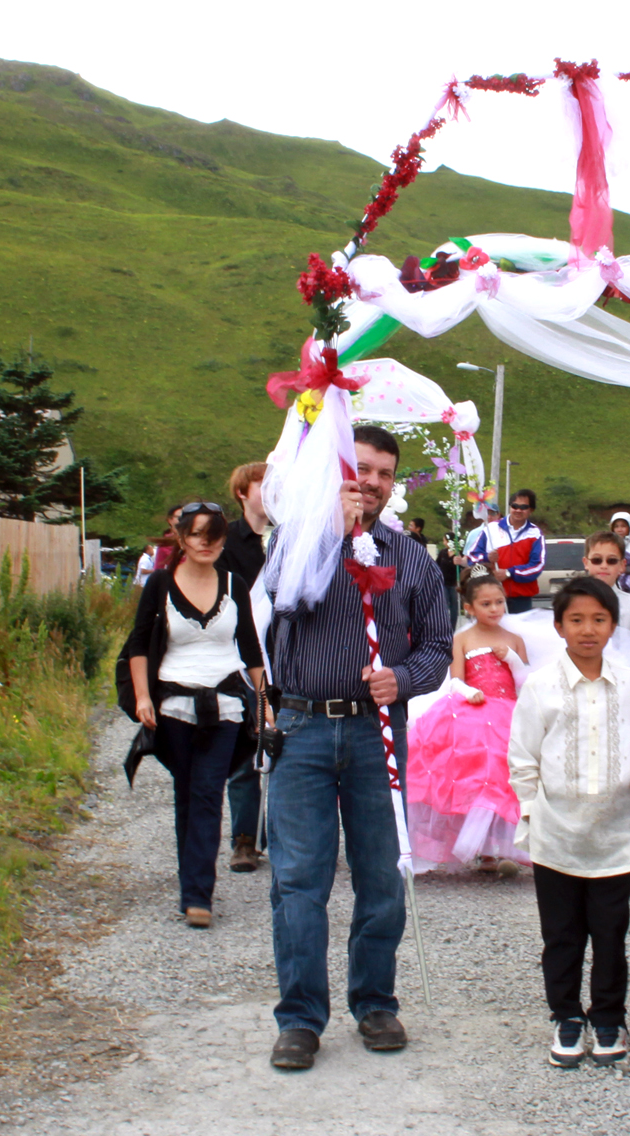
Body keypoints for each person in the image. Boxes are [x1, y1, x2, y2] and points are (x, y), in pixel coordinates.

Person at [262, 425, 453, 1070]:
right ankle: (299, 1018)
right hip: (302, 728)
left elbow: (436, 647)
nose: (368, 482)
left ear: (392, 485)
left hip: (378, 733)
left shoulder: (411, 557)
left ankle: (374, 1001)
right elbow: (281, 602)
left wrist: (403, 678)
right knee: (298, 880)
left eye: (381, 474)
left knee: (382, 874)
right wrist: (326, 535)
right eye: (358, 468)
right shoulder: (295, 538)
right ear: (337, 470)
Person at [508, 577, 630, 1069]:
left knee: (612, 933)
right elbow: (523, 757)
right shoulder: (541, 685)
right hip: (557, 837)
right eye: (576, 620)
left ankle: (609, 1017)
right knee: (563, 935)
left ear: (613, 626)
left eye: (598, 619)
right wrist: (533, 813)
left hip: (615, 836)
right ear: (559, 626)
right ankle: (567, 1017)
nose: (587, 630)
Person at [122, 501, 266, 929]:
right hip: (173, 708)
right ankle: (192, 887)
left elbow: (250, 648)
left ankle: (199, 895)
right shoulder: (160, 584)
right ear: (181, 538)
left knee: (206, 794)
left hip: (224, 707)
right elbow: (138, 644)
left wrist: (264, 702)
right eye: (199, 534)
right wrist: (143, 698)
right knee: (186, 793)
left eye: (216, 535)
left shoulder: (234, 584)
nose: (207, 543)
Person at [404, 572, 530, 873]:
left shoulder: (514, 639)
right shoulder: (461, 638)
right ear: (470, 607)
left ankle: (504, 847)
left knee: (504, 771)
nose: (495, 609)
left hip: (507, 710)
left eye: (499, 602)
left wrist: (512, 659)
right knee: (473, 771)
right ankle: (482, 850)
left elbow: (526, 681)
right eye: (486, 603)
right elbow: (455, 678)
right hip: (473, 707)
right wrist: (469, 691)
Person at [220, 461, 269, 874]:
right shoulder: (228, 542)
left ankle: (283, 835)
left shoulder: (293, 535)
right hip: (243, 657)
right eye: (263, 485)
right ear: (243, 492)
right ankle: (244, 838)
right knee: (246, 747)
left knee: (292, 748)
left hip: (292, 656)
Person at [582, 530, 630, 667]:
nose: (604, 565)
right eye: (597, 560)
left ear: (622, 565)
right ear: (586, 562)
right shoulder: (573, 604)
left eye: (611, 561)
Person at [465, 489, 546, 614]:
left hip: (521, 600)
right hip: (492, 597)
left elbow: (537, 566)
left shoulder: (535, 534)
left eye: (524, 507)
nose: (518, 510)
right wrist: (487, 558)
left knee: (517, 634)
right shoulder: (491, 529)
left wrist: (509, 573)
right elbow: (471, 558)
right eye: (515, 506)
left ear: (531, 510)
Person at [134, 503, 183, 586]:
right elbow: (158, 571)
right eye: (179, 517)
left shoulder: (195, 542)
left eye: (186, 517)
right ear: (170, 520)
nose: (183, 520)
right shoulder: (165, 545)